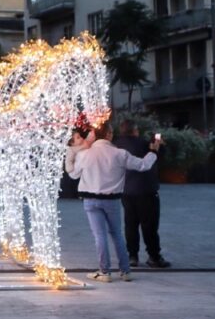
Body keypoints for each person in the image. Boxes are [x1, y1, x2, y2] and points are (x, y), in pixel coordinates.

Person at [65, 120, 161, 283]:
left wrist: (71, 153)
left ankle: (105, 271)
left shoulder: (84, 154)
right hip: (112, 200)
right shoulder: (120, 153)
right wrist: (153, 152)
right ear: (109, 134)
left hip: (90, 199)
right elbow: (143, 165)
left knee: (99, 236)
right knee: (116, 234)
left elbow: (73, 175)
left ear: (94, 135)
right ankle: (125, 271)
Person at [115, 120, 170, 268]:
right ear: (135, 130)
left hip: (126, 190)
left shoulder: (116, 145)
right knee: (149, 225)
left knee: (130, 224)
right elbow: (159, 156)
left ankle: (132, 256)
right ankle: (154, 256)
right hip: (146, 190)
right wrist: (159, 143)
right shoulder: (145, 143)